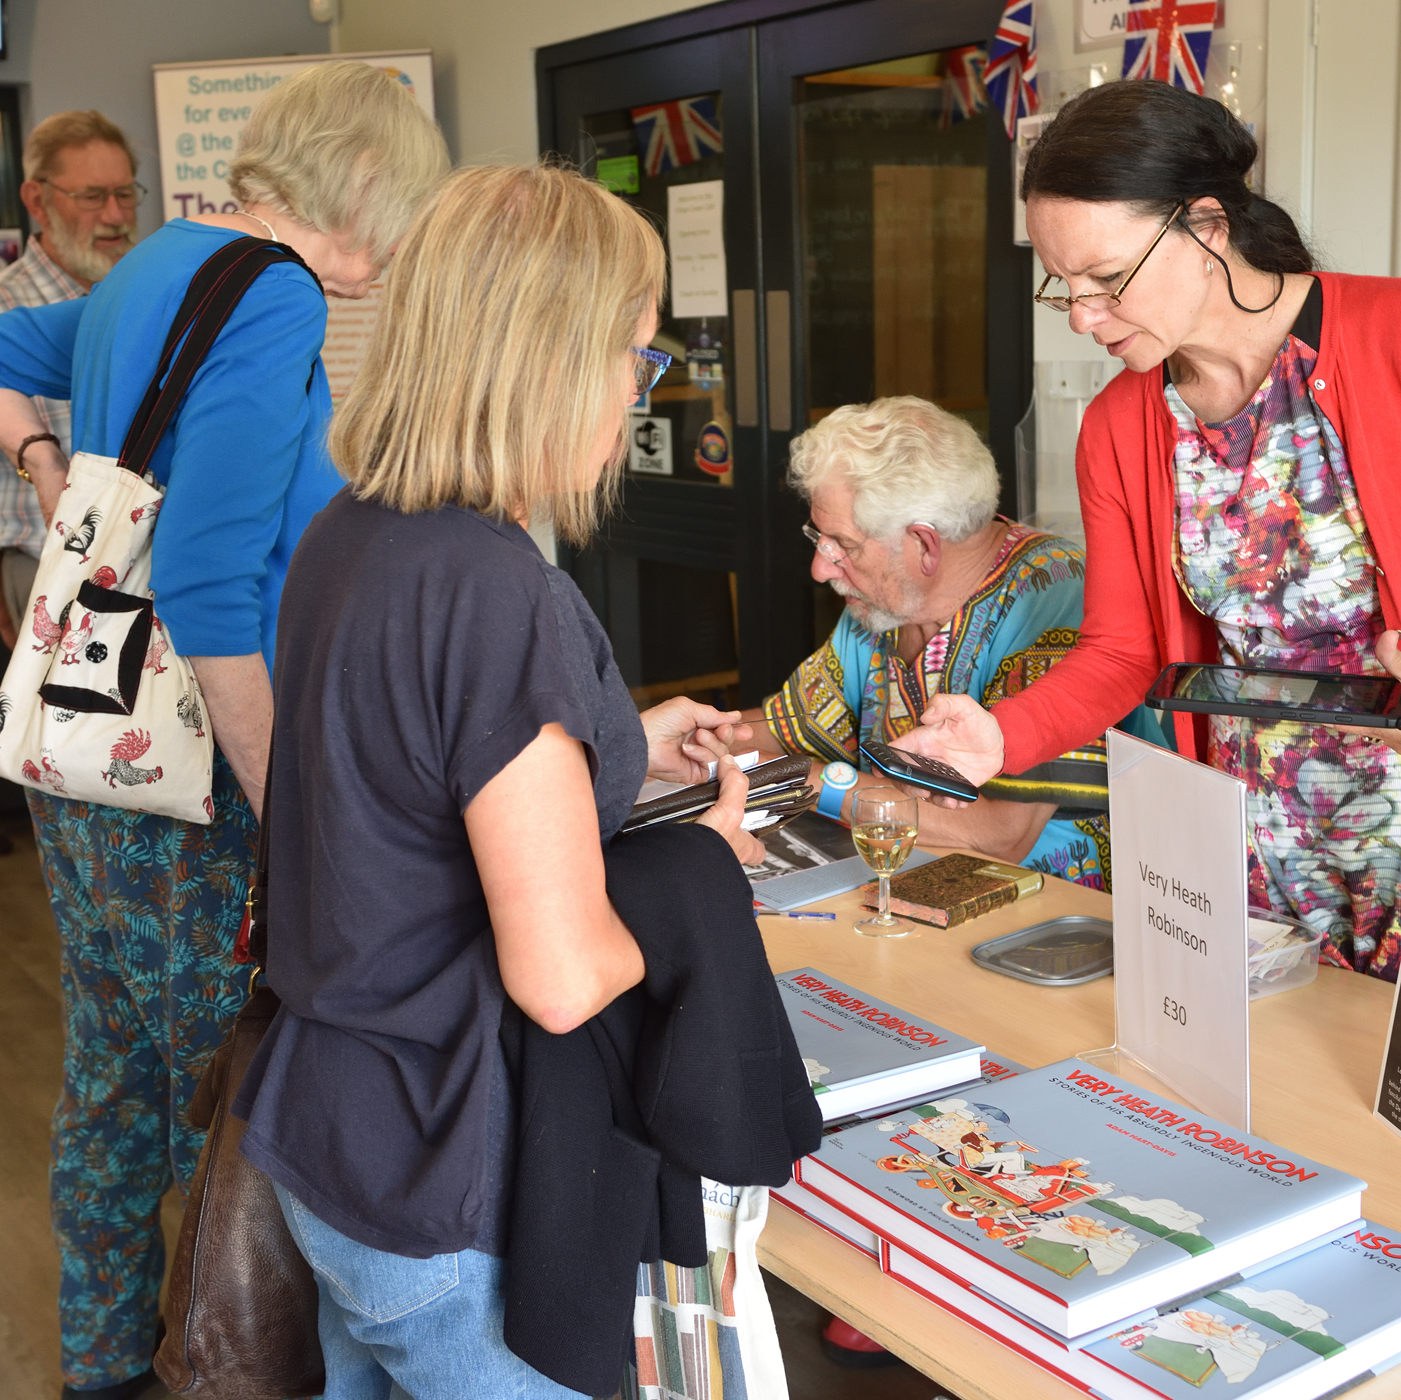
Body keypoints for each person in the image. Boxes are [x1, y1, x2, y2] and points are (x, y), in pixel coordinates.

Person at [233, 163, 776, 1397]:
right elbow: (566, 970)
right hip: (445, 1173)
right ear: (553, 359)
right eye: (636, 356)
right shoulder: (493, 586)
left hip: (333, 1137)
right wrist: (707, 870)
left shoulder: (355, 530)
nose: (639, 390)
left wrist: (621, 746)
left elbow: (415, 788)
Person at [0, 63, 448, 1400]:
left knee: (115, 1077)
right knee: (262, 1107)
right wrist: (297, 815)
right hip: (190, 775)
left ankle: (101, 1363)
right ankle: (238, 1369)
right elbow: (206, 588)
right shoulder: (273, 290)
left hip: (83, 755)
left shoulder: (158, 271)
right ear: (359, 188)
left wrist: (41, 466)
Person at [895, 80, 1401, 978]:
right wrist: (1000, 736)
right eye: (1065, 287)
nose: (1085, 316)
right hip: (1258, 841)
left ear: (1207, 226)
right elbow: (1122, 653)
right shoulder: (1122, 424)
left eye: (1107, 279)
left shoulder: (1386, 335)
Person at [745, 396, 1163, 887]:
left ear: (924, 545)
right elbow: (785, 727)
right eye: (821, 540)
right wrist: (701, 741)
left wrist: (810, 782)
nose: (821, 568)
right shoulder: (882, 606)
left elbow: (1000, 833)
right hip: (914, 894)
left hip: (1076, 924)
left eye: (844, 546)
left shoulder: (1061, 594)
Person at [0, 109, 140, 651]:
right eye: (92, 197)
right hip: (42, 569)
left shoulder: (139, 300)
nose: (114, 215)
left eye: (126, 195)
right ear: (37, 200)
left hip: (138, 570)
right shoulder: (8, 306)